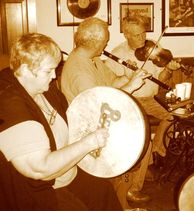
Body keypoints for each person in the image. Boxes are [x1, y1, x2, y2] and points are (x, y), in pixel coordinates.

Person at [0, 33, 123, 211]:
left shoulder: (45, 90)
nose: (54, 76)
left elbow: (70, 122)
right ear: (26, 70)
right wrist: (89, 142)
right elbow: (40, 169)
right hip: (40, 192)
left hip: (68, 174)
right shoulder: (8, 103)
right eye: (48, 71)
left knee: (103, 191)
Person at [60, 17, 150, 209]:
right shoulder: (79, 71)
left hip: (104, 123)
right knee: (135, 145)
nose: (107, 44)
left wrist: (128, 77)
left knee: (144, 141)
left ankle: (124, 195)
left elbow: (112, 82)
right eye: (105, 41)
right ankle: (120, 201)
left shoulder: (93, 60)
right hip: (91, 133)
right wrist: (131, 87)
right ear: (95, 42)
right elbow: (101, 105)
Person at [105, 16, 181, 169]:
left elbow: (161, 78)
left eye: (144, 33)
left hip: (152, 99)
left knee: (175, 115)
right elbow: (110, 85)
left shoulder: (153, 47)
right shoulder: (117, 53)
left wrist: (168, 69)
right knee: (138, 128)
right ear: (126, 34)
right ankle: (146, 164)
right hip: (131, 100)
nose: (143, 38)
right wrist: (128, 76)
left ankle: (157, 151)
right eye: (137, 35)